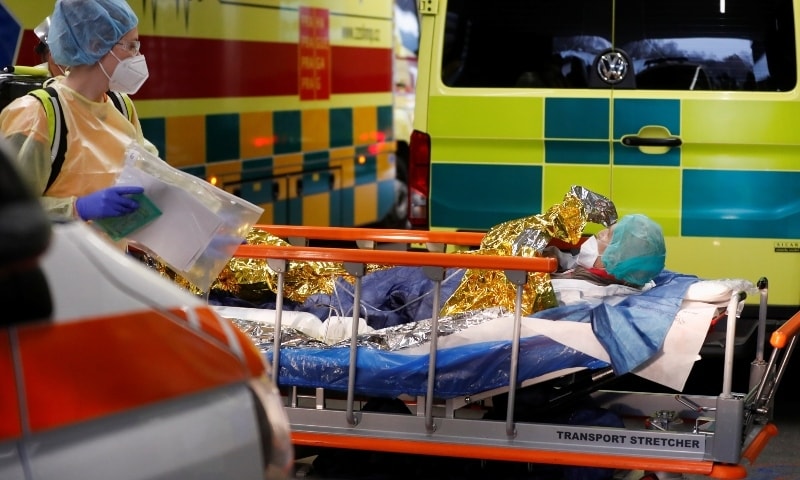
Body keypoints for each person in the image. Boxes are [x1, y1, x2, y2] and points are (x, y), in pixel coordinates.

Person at [0, 0, 156, 221]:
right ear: (95, 45)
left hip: (107, 256)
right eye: (130, 46)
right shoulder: (35, 115)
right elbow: (8, 212)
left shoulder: (120, 107)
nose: (137, 57)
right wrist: (76, 208)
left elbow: (153, 178)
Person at [553, 213, 667, 288]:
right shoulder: (630, 279)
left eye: (607, 235)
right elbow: (571, 263)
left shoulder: (572, 290)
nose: (600, 233)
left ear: (614, 258)